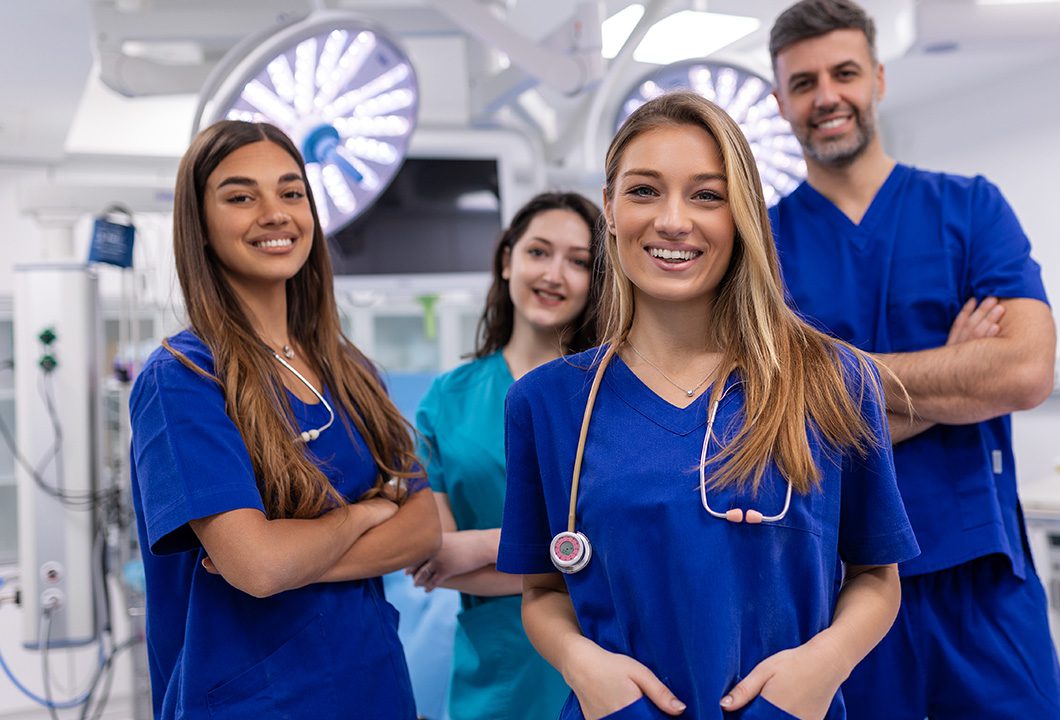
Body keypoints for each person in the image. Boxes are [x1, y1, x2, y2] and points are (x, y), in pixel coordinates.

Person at [496, 91, 919, 720]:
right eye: (644, 191)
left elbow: (876, 578)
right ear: (608, 209)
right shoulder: (547, 404)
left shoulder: (834, 381)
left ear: (741, 214)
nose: (673, 220)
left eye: (706, 195)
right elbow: (542, 590)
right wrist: (582, 665)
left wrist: (819, 670)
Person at [767, 2, 1060, 718]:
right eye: (803, 83)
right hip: (836, 593)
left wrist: (838, 389)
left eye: (843, 73)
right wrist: (959, 374)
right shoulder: (763, 250)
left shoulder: (969, 209)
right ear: (780, 102)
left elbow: (1023, 372)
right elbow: (780, 425)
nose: (826, 96)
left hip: (982, 580)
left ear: (877, 78)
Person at [129, 120, 440, 720]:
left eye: (291, 192)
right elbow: (259, 565)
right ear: (200, 225)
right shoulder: (184, 379)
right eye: (242, 196)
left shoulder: (350, 371)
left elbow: (425, 526)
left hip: (373, 688)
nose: (274, 213)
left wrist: (291, 558)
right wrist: (367, 514)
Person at [407, 191, 605, 720]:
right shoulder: (445, 400)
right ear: (506, 259)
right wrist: (576, 561)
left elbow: (628, 551)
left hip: (604, 667)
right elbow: (437, 558)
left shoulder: (616, 392)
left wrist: (481, 545)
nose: (554, 274)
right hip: (495, 683)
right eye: (538, 252)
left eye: (579, 261)